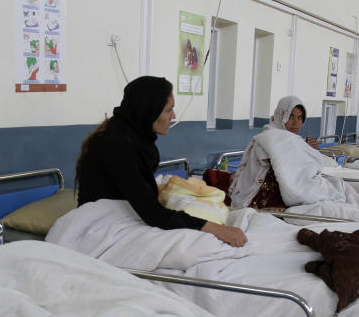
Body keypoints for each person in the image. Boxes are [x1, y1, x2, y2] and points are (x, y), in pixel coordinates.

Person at [76, 76, 247, 246]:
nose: (173, 115)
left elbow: (144, 198)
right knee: (193, 245)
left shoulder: (137, 140)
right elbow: (153, 213)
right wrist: (216, 229)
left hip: (126, 214)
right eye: (168, 110)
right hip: (100, 223)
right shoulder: (116, 145)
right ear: (149, 110)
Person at [228, 96, 333, 209]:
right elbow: (289, 164)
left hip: (283, 196)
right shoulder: (269, 138)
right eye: (290, 116)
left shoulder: (294, 141)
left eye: (300, 118)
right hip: (260, 199)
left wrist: (312, 151)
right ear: (281, 116)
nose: (295, 123)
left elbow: (305, 170)